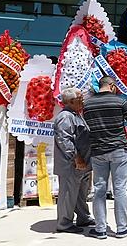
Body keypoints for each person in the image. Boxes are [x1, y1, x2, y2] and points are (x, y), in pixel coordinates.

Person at [83, 76, 127, 239]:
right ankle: (122, 228)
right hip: (118, 150)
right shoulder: (120, 101)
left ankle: (100, 229)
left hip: (98, 150)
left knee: (99, 189)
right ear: (112, 86)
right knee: (119, 188)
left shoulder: (87, 104)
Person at [54, 87, 95, 233]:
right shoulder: (65, 117)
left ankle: (83, 217)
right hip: (71, 164)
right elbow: (64, 140)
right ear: (71, 101)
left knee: (80, 193)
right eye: (80, 98)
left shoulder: (76, 114)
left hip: (83, 163)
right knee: (68, 193)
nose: (83, 99)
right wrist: (76, 157)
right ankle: (64, 223)